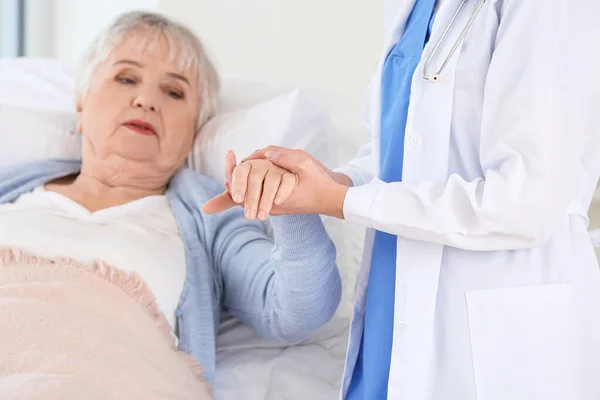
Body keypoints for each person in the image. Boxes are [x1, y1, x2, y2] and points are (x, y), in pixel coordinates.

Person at [203, 0, 600, 399]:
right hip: (392, 314)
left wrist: (340, 199)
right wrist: (310, 184)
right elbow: (394, 159)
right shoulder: (408, 7)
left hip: (495, 333)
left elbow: (524, 200)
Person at [0, 10, 341, 396]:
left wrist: (291, 208)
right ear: (81, 107)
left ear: (195, 128)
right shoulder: (14, 189)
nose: (146, 100)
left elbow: (297, 313)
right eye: (126, 78)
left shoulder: (210, 220)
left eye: (174, 92)